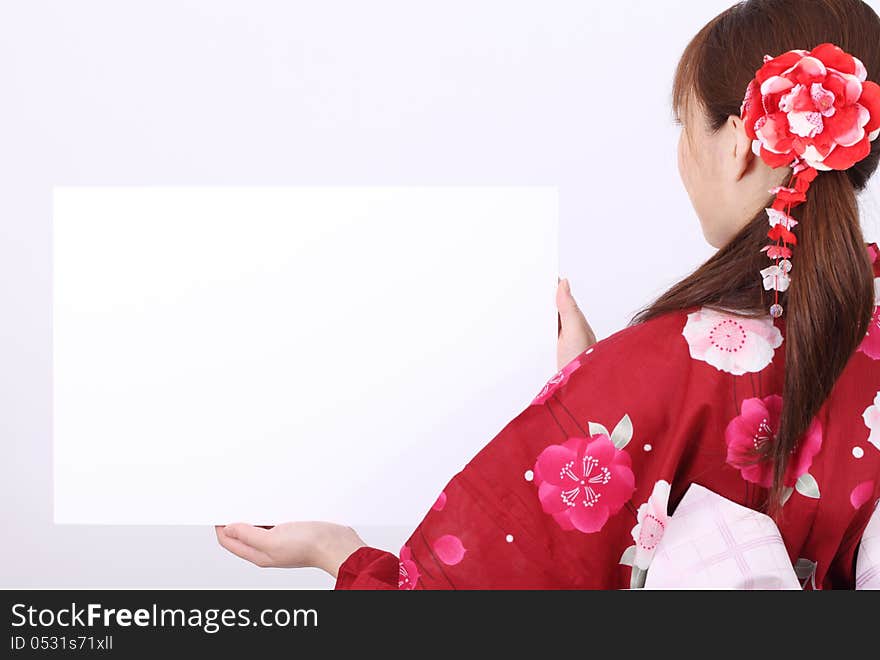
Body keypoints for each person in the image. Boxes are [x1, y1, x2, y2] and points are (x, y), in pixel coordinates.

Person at [215, 0, 880, 589]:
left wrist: (341, 552)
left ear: (737, 143)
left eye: (685, 123)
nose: (682, 151)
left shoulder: (656, 368)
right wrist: (598, 384)